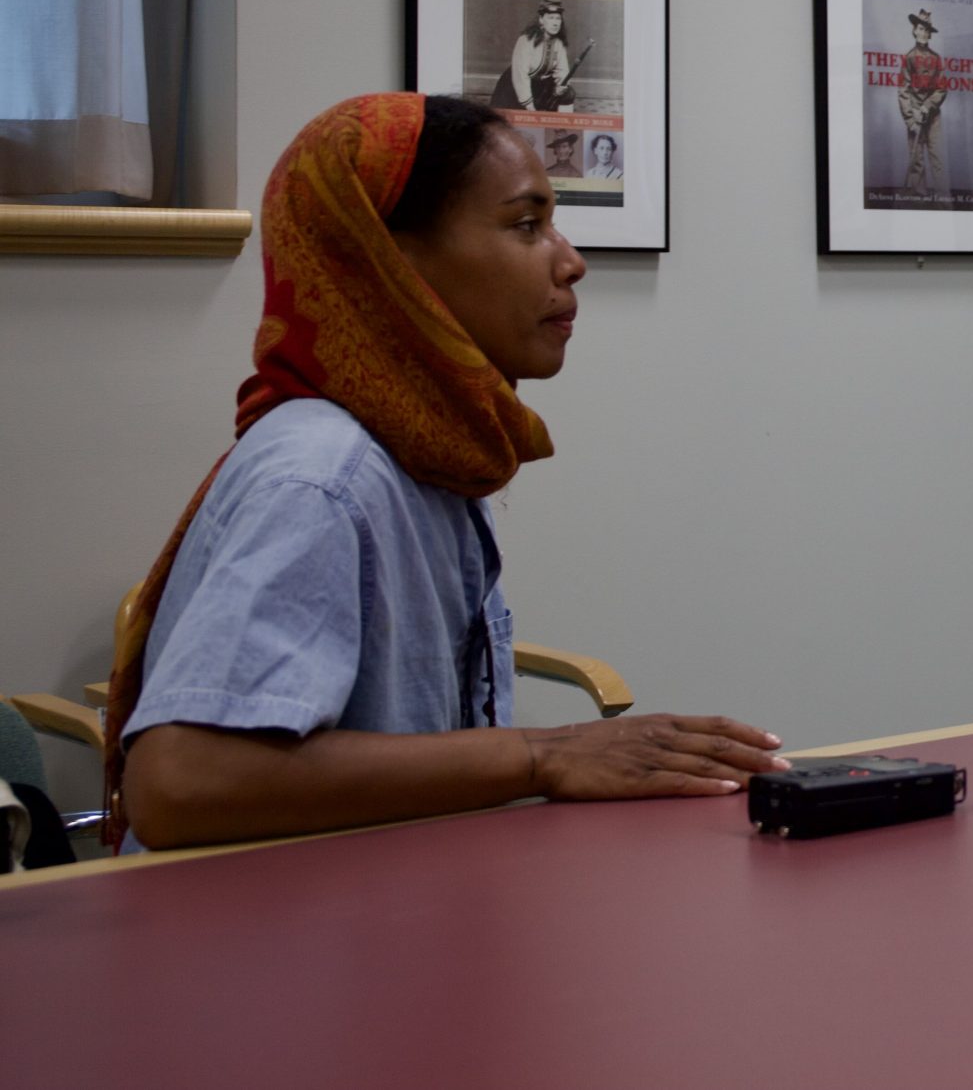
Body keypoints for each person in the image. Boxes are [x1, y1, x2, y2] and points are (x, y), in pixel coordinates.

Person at [107, 93, 787, 851]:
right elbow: (181, 781)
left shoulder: (423, 450)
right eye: (526, 225)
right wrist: (544, 756)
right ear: (388, 262)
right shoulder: (325, 478)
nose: (571, 260)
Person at [491, 0, 577, 111]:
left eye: (558, 18)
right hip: (516, 86)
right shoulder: (526, 40)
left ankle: (562, 126)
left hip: (541, 86)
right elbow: (521, 75)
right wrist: (529, 105)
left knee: (568, 93)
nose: (555, 23)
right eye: (551, 18)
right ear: (541, 20)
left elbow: (563, 69)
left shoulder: (559, 43)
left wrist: (560, 86)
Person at [899, 8, 947, 197]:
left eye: (927, 30)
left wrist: (928, 106)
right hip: (914, 114)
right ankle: (919, 197)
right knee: (916, 159)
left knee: (937, 157)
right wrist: (910, 118)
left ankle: (944, 198)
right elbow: (903, 90)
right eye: (921, 28)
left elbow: (942, 88)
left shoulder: (936, 58)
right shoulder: (908, 57)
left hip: (932, 115)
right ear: (914, 30)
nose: (924, 33)